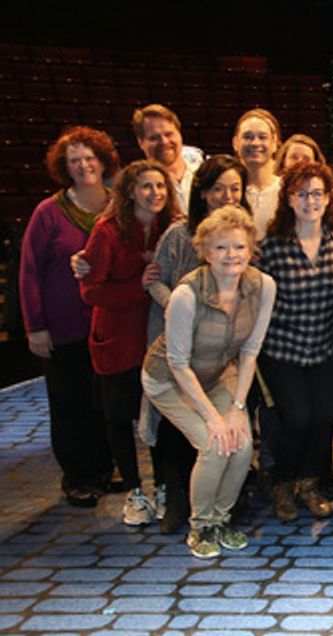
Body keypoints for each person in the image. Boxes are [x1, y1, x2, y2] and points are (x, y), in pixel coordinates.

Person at [141, 207, 275, 558]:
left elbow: (249, 352)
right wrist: (214, 417)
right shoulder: (188, 294)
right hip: (168, 379)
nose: (231, 256)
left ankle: (220, 518)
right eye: (221, 248)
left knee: (243, 444)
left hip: (218, 372)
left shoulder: (263, 286)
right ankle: (200, 526)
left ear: (250, 249)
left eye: (239, 247)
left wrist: (236, 409)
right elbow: (178, 362)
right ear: (205, 252)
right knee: (214, 444)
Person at [145, 154, 248, 532]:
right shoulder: (179, 234)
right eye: (218, 188)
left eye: (234, 188)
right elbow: (154, 278)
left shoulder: (243, 236)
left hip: (221, 356)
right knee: (183, 431)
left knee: (230, 434)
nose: (226, 195)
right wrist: (177, 306)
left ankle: (221, 504)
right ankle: (181, 502)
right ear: (202, 193)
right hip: (180, 351)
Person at [19, 126, 119, 507]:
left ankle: (103, 470)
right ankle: (77, 476)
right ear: (64, 167)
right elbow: (28, 271)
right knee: (70, 405)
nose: (83, 165)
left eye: (89, 158)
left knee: (102, 403)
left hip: (108, 326)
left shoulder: (116, 205)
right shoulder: (48, 212)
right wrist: (35, 326)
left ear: (102, 161)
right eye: (74, 160)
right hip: (63, 330)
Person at [79, 160, 179, 525]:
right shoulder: (108, 231)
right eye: (146, 186)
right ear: (130, 191)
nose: (155, 193)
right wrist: (136, 286)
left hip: (158, 337)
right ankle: (135, 492)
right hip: (119, 337)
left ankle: (165, 486)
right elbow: (91, 291)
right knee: (120, 417)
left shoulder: (171, 228)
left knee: (162, 415)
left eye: (160, 186)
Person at [255, 161, 333, 522]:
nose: (310, 200)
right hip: (282, 349)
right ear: (289, 199)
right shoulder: (273, 246)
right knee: (297, 419)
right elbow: (259, 302)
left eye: (317, 193)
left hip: (324, 347)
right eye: (302, 193)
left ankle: (311, 483)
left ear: (329, 198)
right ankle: (283, 484)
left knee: (326, 417)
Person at [131, 104, 205, 211]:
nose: (164, 142)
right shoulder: (135, 185)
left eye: (169, 134)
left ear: (180, 134)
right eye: (154, 138)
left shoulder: (203, 172)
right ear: (141, 143)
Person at [233, 108, 283, 238]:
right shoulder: (228, 192)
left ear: (274, 144)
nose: (255, 143)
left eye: (262, 137)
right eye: (247, 137)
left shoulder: (286, 190)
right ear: (235, 143)